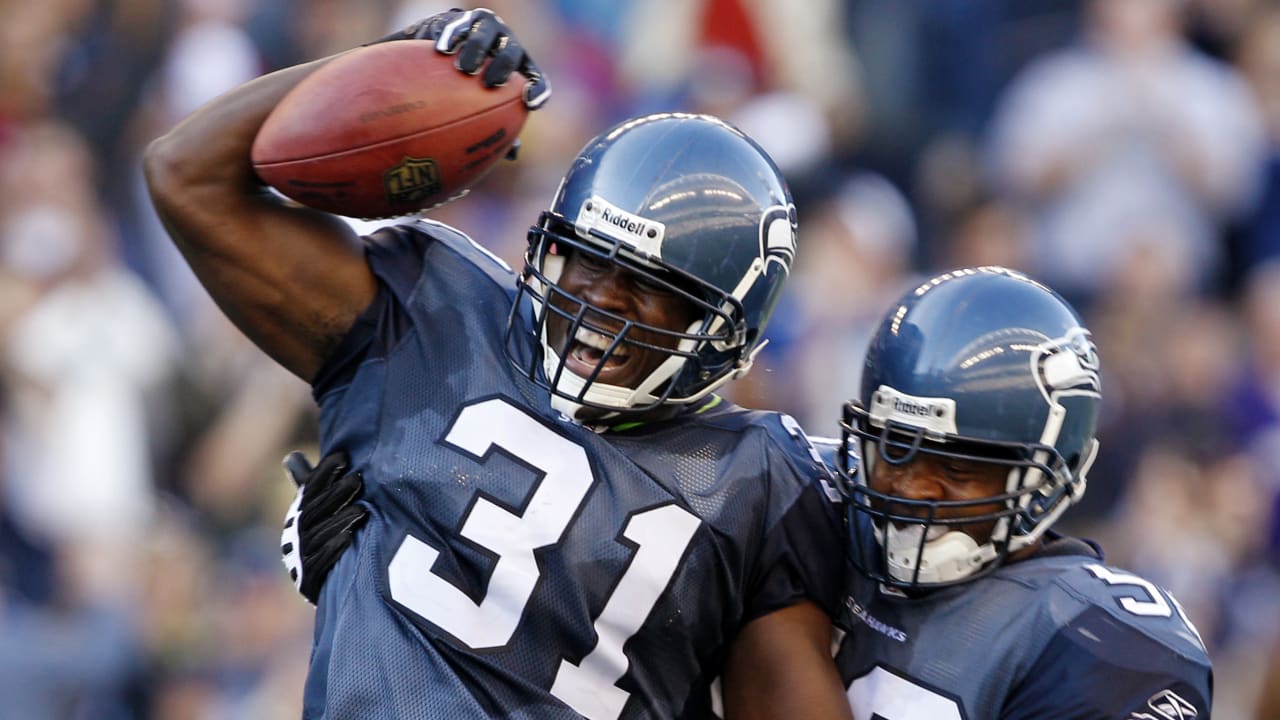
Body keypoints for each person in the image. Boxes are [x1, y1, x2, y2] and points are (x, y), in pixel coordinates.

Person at [143, 8, 850, 719]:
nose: (598, 300)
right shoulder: (435, 307)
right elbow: (186, 172)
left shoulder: (759, 481)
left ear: (723, 327)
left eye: (647, 288)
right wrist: (384, 69)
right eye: (585, 259)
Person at [830, 266, 1213, 717]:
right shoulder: (820, 517)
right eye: (893, 450)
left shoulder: (1099, 644)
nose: (912, 487)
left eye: (955, 466)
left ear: (1047, 480)